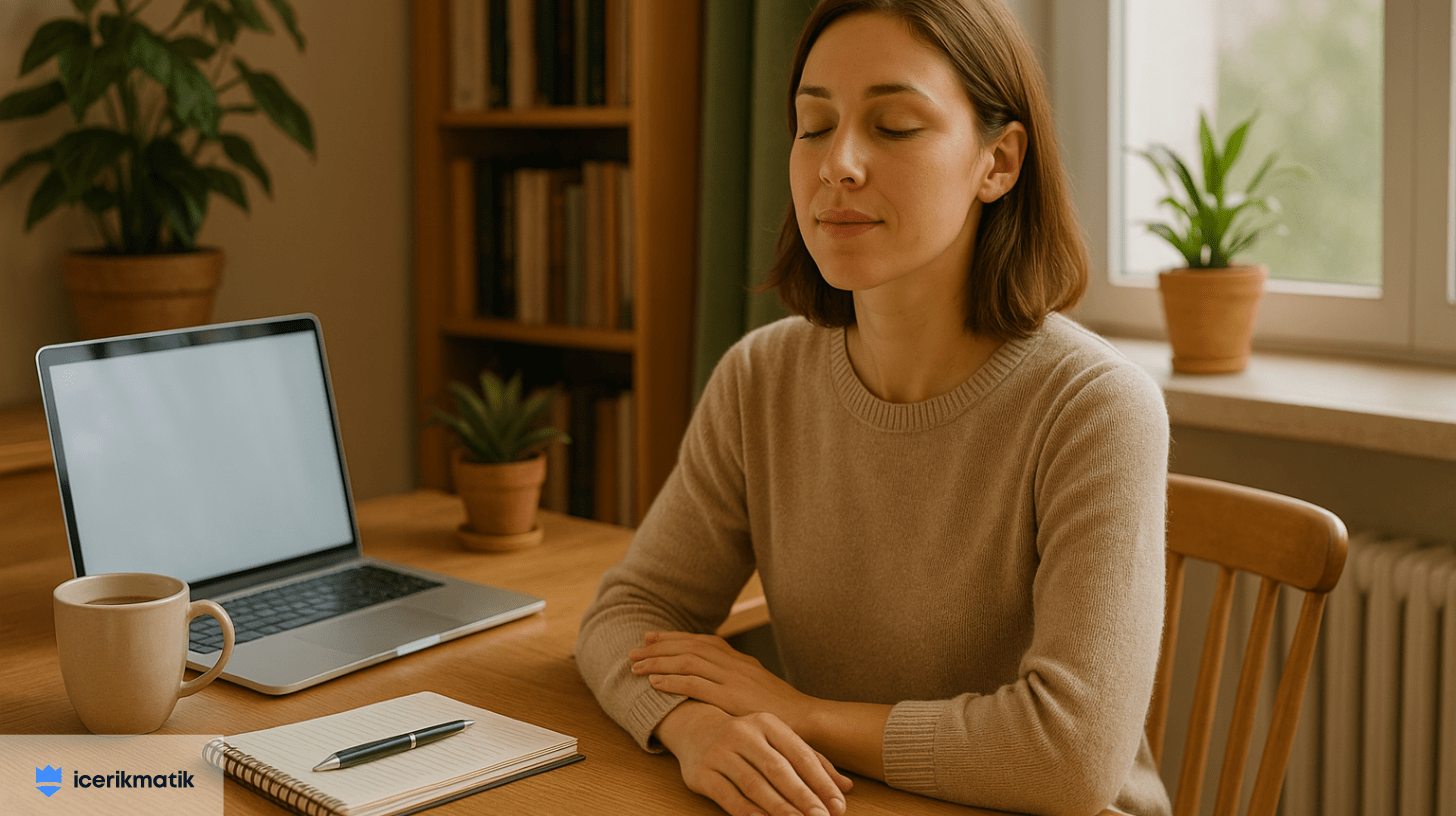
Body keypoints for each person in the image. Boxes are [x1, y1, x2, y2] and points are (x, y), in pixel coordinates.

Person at [575, 1, 1172, 815]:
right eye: (814, 125)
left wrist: (799, 713)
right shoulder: (761, 378)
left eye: (894, 126)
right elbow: (629, 614)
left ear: (998, 163)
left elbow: (1069, 759)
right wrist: (693, 727)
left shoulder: (1097, 408)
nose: (839, 164)